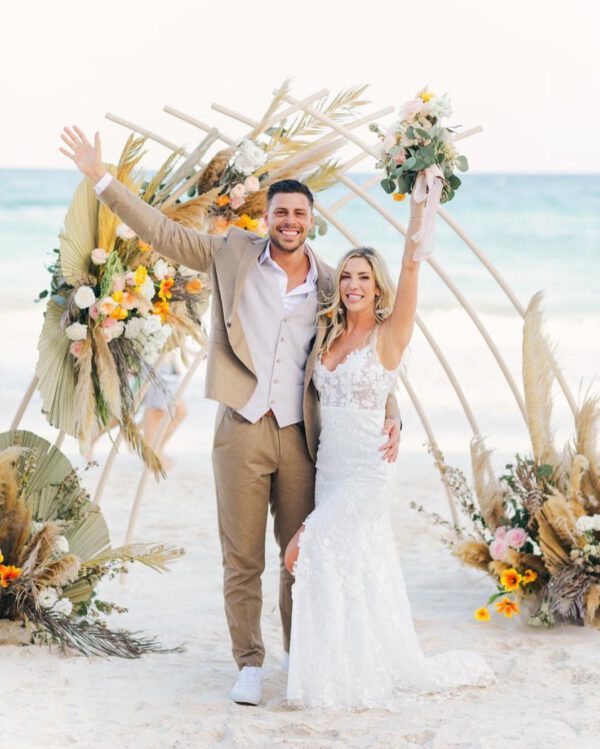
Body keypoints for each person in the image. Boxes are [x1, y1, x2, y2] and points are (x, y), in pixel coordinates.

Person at [59, 126, 402, 706]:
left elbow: (364, 350)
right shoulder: (231, 254)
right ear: (266, 218)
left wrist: (392, 411)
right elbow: (163, 233)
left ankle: (301, 660)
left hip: (300, 436)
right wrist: (102, 180)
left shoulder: (329, 282)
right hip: (240, 429)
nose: (289, 221)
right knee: (242, 556)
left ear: (311, 221)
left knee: (302, 554)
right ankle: (248, 662)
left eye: (299, 212)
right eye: (280, 212)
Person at [283, 196, 496, 709]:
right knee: (345, 567)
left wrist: (421, 208)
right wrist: (393, 410)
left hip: (366, 475)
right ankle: (337, 673)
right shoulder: (329, 334)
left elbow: (411, 263)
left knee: (302, 549)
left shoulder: (389, 335)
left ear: (378, 286)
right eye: (348, 276)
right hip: (329, 470)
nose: (354, 285)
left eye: (364, 277)